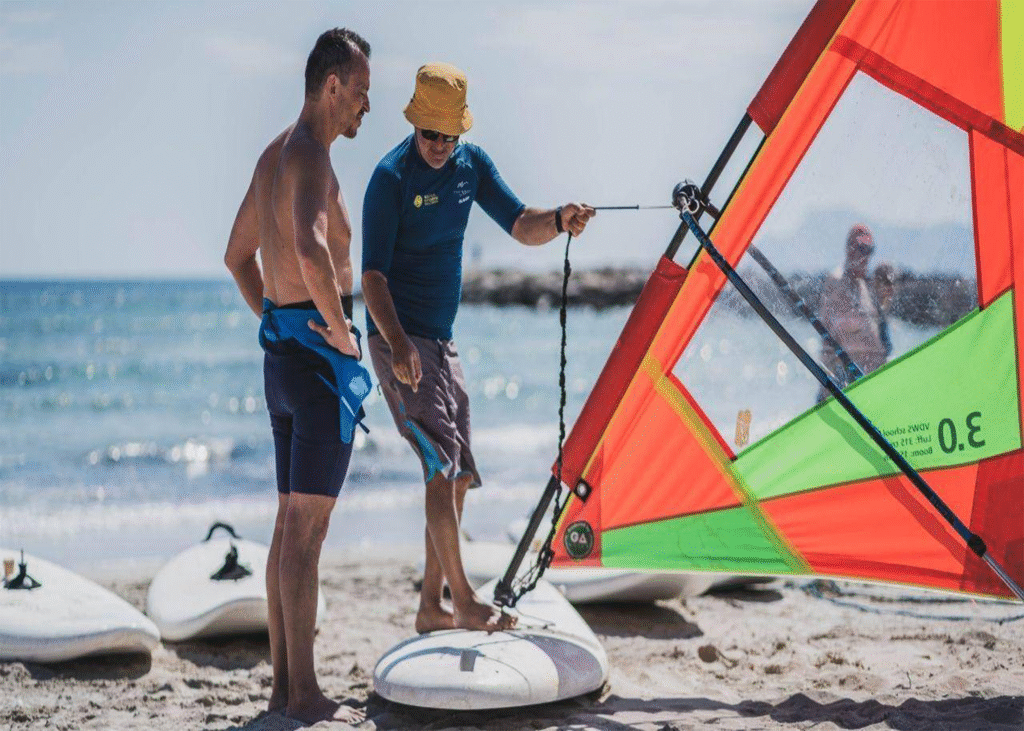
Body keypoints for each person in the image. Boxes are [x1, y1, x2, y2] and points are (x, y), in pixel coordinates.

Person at [361, 63, 595, 633]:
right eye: (429, 134)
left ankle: (429, 607)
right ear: (415, 123)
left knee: (460, 473)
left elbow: (520, 223)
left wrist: (560, 220)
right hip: (399, 340)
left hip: (441, 344)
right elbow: (371, 278)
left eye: (449, 135)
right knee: (440, 466)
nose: (439, 145)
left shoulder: (471, 165)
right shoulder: (390, 178)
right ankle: (463, 601)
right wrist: (396, 344)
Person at [223, 28, 371, 725]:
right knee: (308, 529)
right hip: (315, 368)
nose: (366, 107)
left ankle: (284, 688)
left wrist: (274, 321)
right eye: (361, 92)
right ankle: (304, 693)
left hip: (282, 358)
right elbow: (313, 254)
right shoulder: (310, 156)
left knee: (289, 523)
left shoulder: (271, 157)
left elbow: (237, 256)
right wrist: (342, 335)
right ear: (332, 85)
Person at [818, 224, 889, 398]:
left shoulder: (863, 287)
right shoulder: (836, 283)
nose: (866, 256)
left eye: (870, 250)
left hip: (866, 388)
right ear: (849, 250)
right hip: (842, 392)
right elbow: (844, 334)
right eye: (861, 248)